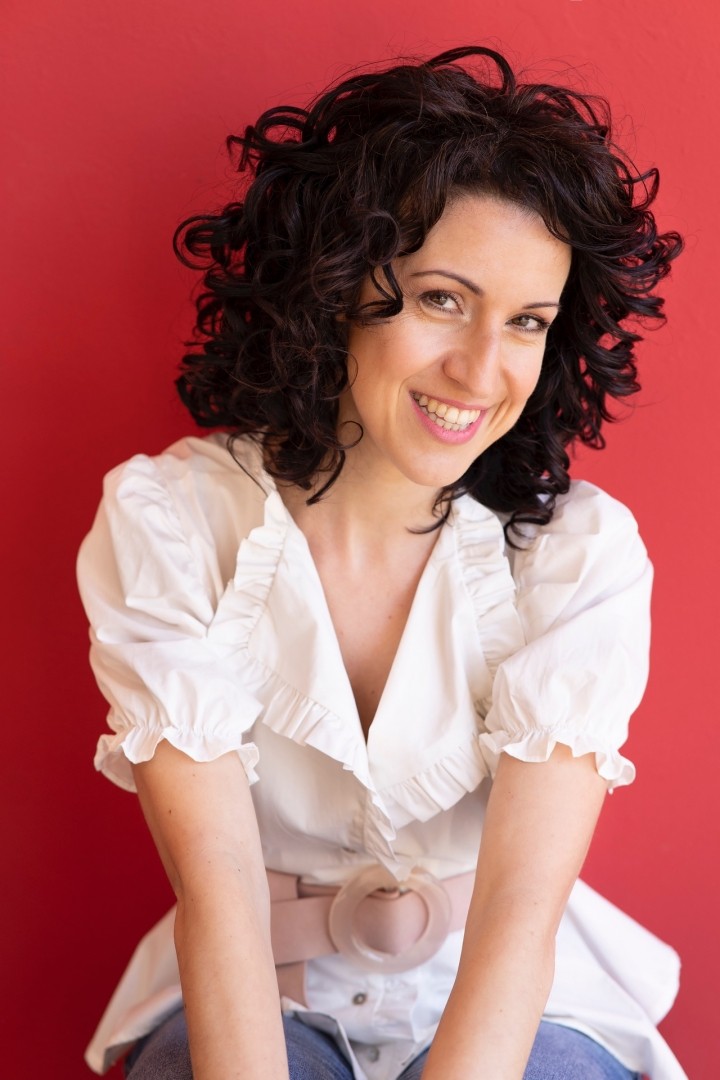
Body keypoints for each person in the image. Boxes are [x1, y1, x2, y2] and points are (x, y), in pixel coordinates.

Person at [77, 46, 686, 1080]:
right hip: (260, 994)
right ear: (335, 284)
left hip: (519, 1014)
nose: (481, 372)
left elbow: (518, 923)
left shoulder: (579, 555)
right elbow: (218, 902)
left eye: (526, 322)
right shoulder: (171, 521)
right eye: (443, 299)